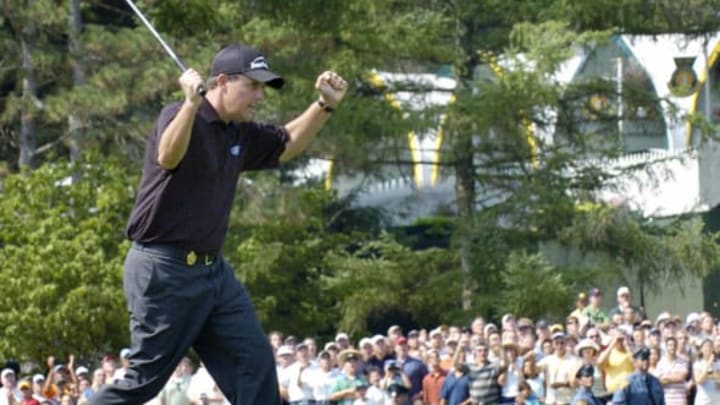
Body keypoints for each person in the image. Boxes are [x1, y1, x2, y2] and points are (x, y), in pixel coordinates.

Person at [88, 43, 347, 405]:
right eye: (253, 86)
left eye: (263, 88)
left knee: (254, 366)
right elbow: (168, 155)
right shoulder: (178, 113)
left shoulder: (238, 132)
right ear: (222, 81)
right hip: (163, 271)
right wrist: (192, 105)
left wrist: (324, 105)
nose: (259, 96)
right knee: (144, 379)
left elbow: (285, 144)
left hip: (213, 275)